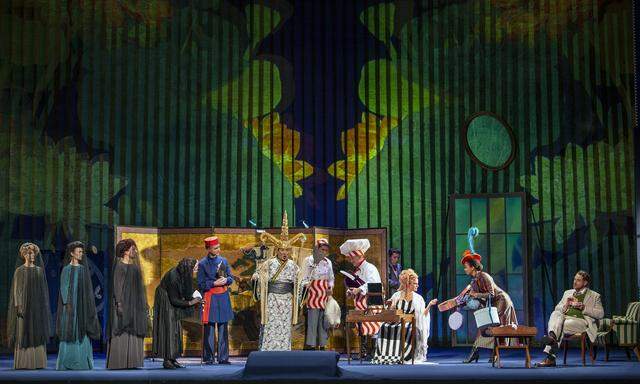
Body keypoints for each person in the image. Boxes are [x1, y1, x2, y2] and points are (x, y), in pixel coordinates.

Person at [252, 211, 307, 351]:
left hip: (287, 299)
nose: (284, 253)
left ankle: (283, 351)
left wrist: (305, 285)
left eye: (287, 250)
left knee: (284, 326)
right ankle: (267, 351)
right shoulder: (269, 263)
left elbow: (299, 282)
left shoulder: (293, 266)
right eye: (281, 250)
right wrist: (256, 278)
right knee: (270, 324)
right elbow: (259, 274)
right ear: (276, 250)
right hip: (271, 298)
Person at [461, 227, 517, 364]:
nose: (465, 269)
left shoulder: (484, 276)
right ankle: (485, 353)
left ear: (472, 267)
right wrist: (466, 301)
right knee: (487, 326)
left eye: (466, 266)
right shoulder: (474, 281)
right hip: (493, 303)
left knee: (494, 327)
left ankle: (489, 353)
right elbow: (480, 298)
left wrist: (475, 294)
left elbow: (491, 294)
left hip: (502, 300)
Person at [536, 270, 604, 367]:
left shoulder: (594, 296)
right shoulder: (567, 293)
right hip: (564, 318)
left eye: (578, 280)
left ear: (585, 283)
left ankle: (550, 356)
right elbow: (557, 308)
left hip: (582, 322)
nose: (575, 282)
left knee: (560, 326)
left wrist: (584, 307)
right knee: (555, 314)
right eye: (574, 279)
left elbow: (600, 314)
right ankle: (552, 337)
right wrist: (566, 305)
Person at [372, 269, 437, 364]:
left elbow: (422, 315)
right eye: (415, 283)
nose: (417, 285)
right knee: (384, 327)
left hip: (410, 322)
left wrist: (429, 305)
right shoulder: (396, 295)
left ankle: (404, 355)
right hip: (397, 320)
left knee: (406, 328)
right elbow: (391, 310)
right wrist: (390, 304)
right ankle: (385, 355)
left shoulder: (418, 298)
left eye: (417, 283)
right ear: (407, 284)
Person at [56, 241, 101, 370]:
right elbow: (63, 287)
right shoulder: (66, 269)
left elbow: (87, 288)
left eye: (82, 252)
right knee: (70, 330)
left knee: (82, 327)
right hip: (69, 306)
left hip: (81, 305)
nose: (81, 254)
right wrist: (67, 303)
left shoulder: (82, 269)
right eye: (79, 251)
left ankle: (81, 361)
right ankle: (67, 361)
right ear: (72, 253)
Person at [106, 239, 149, 369]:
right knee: (121, 329)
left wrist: (143, 304)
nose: (135, 251)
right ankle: (119, 361)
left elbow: (139, 288)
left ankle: (132, 361)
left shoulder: (135, 267)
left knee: (134, 328)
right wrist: (119, 303)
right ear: (125, 251)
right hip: (123, 304)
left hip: (134, 305)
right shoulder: (119, 266)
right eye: (132, 249)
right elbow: (117, 286)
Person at [7, 243, 51, 370]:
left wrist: (42, 306)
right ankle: (24, 362)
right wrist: (19, 305)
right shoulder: (19, 271)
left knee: (36, 331)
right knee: (23, 331)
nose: (32, 255)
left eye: (33, 253)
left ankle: (38, 361)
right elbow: (16, 290)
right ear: (24, 255)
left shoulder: (39, 270)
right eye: (30, 253)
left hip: (36, 306)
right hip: (23, 307)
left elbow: (43, 290)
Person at [153, 258, 201, 369]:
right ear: (189, 268)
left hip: (171, 298)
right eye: (195, 268)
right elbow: (174, 300)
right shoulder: (173, 277)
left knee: (176, 328)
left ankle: (173, 357)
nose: (197, 270)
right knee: (169, 327)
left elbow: (187, 291)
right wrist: (191, 302)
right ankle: (167, 360)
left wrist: (196, 299)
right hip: (165, 300)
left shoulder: (184, 274)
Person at [341, 238, 381, 359]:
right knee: (361, 326)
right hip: (360, 302)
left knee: (373, 326)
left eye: (352, 258)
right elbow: (356, 285)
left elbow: (374, 283)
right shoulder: (357, 271)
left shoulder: (370, 268)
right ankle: (363, 351)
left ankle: (373, 352)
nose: (351, 260)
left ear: (359, 256)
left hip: (372, 301)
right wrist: (351, 291)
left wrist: (359, 289)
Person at [197, 237, 234, 365]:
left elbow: (231, 278)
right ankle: (209, 357)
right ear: (208, 249)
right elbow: (201, 284)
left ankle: (223, 357)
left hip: (223, 297)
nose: (218, 250)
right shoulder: (202, 263)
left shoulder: (224, 260)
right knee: (210, 330)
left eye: (219, 247)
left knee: (223, 329)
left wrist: (226, 280)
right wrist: (214, 283)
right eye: (215, 248)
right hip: (210, 298)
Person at [301, 238, 335, 350]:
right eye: (322, 249)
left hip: (324, 293)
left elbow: (331, 278)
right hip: (313, 293)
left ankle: (322, 344)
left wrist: (330, 287)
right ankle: (311, 345)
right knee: (313, 320)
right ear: (317, 249)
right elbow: (304, 277)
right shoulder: (309, 260)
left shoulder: (328, 262)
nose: (324, 252)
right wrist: (307, 284)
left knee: (323, 320)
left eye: (326, 250)